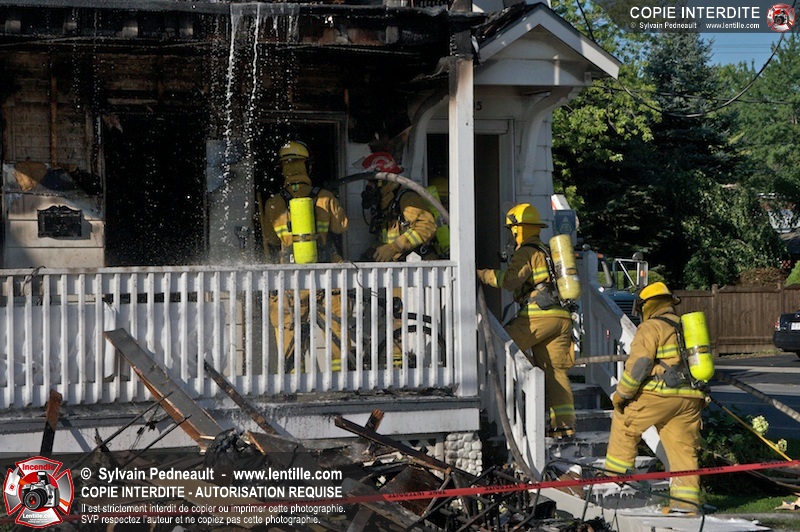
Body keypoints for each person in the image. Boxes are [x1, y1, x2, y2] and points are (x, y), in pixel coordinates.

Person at [603, 281, 707, 515]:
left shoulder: (651, 327)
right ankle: (686, 505)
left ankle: (616, 477)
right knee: (682, 451)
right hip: (690, 398)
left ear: (646, 305)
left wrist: (622, 394)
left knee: (624, 421)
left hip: (660, 394)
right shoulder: (686, 327)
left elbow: (639, 365)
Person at [477, 203, 576, 438]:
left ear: (517, 230)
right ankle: (563, 427)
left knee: (498, 350)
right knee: (555, 372)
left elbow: (510, 281)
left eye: (512, 231)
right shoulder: (546, 251)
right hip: (561, 318)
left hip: (538, 316)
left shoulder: (526, 252)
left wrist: (481, 274)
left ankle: (494, 408)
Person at [261, 140, 348, 371]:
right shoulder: (325, 196)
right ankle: (340, 376)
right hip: (327, 276)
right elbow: (341, 227)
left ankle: (293, 376)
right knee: (336, 326)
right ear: (307, 166)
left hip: (291, 279)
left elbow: (271, 240)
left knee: (289, 329)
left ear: (282, 169)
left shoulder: (273, 203)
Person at [360, 152, 437, 262]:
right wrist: (372, 253)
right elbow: (387, 239)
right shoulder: (386, 204)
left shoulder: (407, 198)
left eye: (371, 182)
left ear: (383, 181)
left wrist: (395, 247)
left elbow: (427, 226)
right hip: (401, 265)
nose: (368, 186)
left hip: (420, 266)